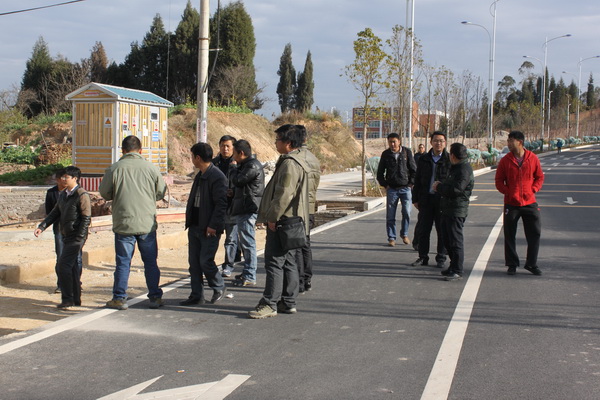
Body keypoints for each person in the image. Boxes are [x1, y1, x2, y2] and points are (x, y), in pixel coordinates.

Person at [248, 124, 310, 319]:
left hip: (284, 220)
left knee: (274, 262)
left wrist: (272, 218)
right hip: (293, 220)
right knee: (289, 262)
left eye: (278, 140)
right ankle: (288, 302)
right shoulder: (296, 160)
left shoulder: (290, 164)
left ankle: (269, 304)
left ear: (288, 143)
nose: (275, 143)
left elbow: (284, 195)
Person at [99, 135, 166, 310]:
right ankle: (155, 297)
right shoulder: (151, 168)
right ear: (141, 150)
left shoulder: (114, 168)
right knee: (150, 262)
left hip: (124, 224)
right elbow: (160, 192)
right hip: (146, 224)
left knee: (123, 262)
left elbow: (105, 193)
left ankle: (119, 298)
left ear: (123, 150)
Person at [35, 166, 91, 309]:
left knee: (63, 266)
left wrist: (80, 236)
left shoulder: (81, 194)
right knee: (71, 267)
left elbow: (86, 218)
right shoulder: (63, 195)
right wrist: (42, 227)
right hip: (66, 234)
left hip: (75, 237)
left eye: (67, 177)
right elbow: (54, 213)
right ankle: (75, 299)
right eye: (63, 177)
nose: (64, 179)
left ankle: (67, 298)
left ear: (75, 178)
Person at [180, 142, 228, 305]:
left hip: (209, 227)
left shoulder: (217, 176)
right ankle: (196, 295)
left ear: (198, 157)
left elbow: (221, 205)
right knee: (194, 263)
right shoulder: (201, 174)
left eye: (192, 156)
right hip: (195, 225)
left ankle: (219, 285)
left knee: (205, 261)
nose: (191, 159)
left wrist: (213, 225)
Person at [495, 130, 544, 276]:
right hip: (511, 203)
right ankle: (512, 264)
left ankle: (531, 264)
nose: (508, 143)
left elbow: (539, 177)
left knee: (534, 234)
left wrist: (533, 189)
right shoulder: (505, 161)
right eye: (508, 141)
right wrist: (508, 192)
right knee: (510, 234)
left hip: (530, 202)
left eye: (511, 141)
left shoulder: (532, 158)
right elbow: (498, 181)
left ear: (519, 142)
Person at [433, 143, 474, 281]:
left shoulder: (464, 170)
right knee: (447, 239)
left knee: (455, 240)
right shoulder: (456, 167)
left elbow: (456, 190)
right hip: (447, 209)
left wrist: (439, 188)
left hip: (456, 210)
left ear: (453, 155)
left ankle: (457, 269)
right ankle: (452, 266)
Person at [411, 132, 451, 268]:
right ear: (431, 142)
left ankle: (441, 257)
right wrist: (415, 199)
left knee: (442, 230)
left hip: (442, 201)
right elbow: (417, 180)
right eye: (435, 140)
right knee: (423, 230)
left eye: (441, 141)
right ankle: (423, 257)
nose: (438, 143)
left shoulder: (449, 159)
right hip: (426, 200)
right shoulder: (424, 159)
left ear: (445, 143)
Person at [229, 139, 264, 287]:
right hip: (245, 207)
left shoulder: (252, 166)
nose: (233, 157)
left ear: (241, 153)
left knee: (248, 243)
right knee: (246, 242)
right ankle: (247, 272)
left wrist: (232, 168)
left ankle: (250, 275)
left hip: (248, 208)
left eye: (234, 154)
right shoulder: (247, 165)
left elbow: (238, 180)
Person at [376, 132, 417, 246]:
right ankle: (391, 237)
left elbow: (414, 170)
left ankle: (404, 234)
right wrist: (385, 185)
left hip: (405, 188)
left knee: (407, 212)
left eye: (394, 141)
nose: (392, 144)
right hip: (392, 189)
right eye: (390, 142)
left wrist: (411, 184)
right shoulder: (385, 154)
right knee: (390, 215)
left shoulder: (406, 152)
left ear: (399, 141)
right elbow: (380, 173)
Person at [295, 126, 321, 293]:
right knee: (306, 244)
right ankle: (308, 279)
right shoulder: (314, 159)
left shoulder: (296, 159)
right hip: (310, 207)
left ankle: (299, 280)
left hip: (298, 209)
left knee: (296, 246)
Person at [212, 135, 240, 277]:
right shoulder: (213, 164)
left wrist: (233, 192)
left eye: (228, 146)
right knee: (213, 237)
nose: (225, 148)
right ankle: (210, 265)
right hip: (216, 208)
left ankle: (228, 265)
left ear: (234, 147)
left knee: (231, 239)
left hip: (232, 207)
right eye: (223, 145)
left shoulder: (238, 164)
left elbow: (243, 185)